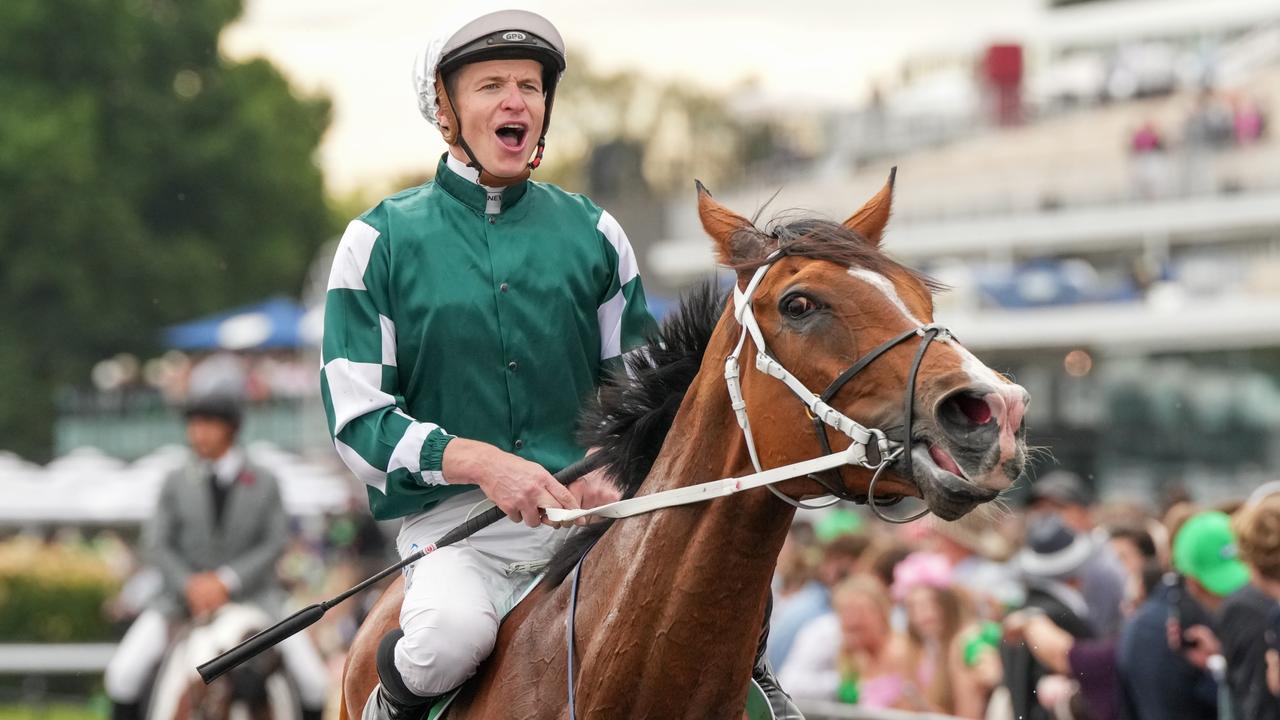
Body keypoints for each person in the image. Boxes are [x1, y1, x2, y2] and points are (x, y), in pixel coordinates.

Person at [320, 10, 800, 719]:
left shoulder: (596, 233)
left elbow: (640, 388)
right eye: (490, 86)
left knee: (731, 599)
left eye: (530, 86)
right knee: (446, 640)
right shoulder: (376, 242)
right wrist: (484, 463)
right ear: (446, 111)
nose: (517, 101)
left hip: (591, 519)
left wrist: (615, 468)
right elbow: (358, 422)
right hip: (460, 533)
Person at [103, 394, 327, 720]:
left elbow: (275, 541)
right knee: (123, 674)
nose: (198, 433)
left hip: (256, 598)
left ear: (232, 428)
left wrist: (226, 580)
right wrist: (191, 584)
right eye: (193, 425)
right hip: (180, 602)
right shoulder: (174, 480)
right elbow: (158, 543)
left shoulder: (265, 481)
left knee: (314, 681)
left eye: (208, 424)